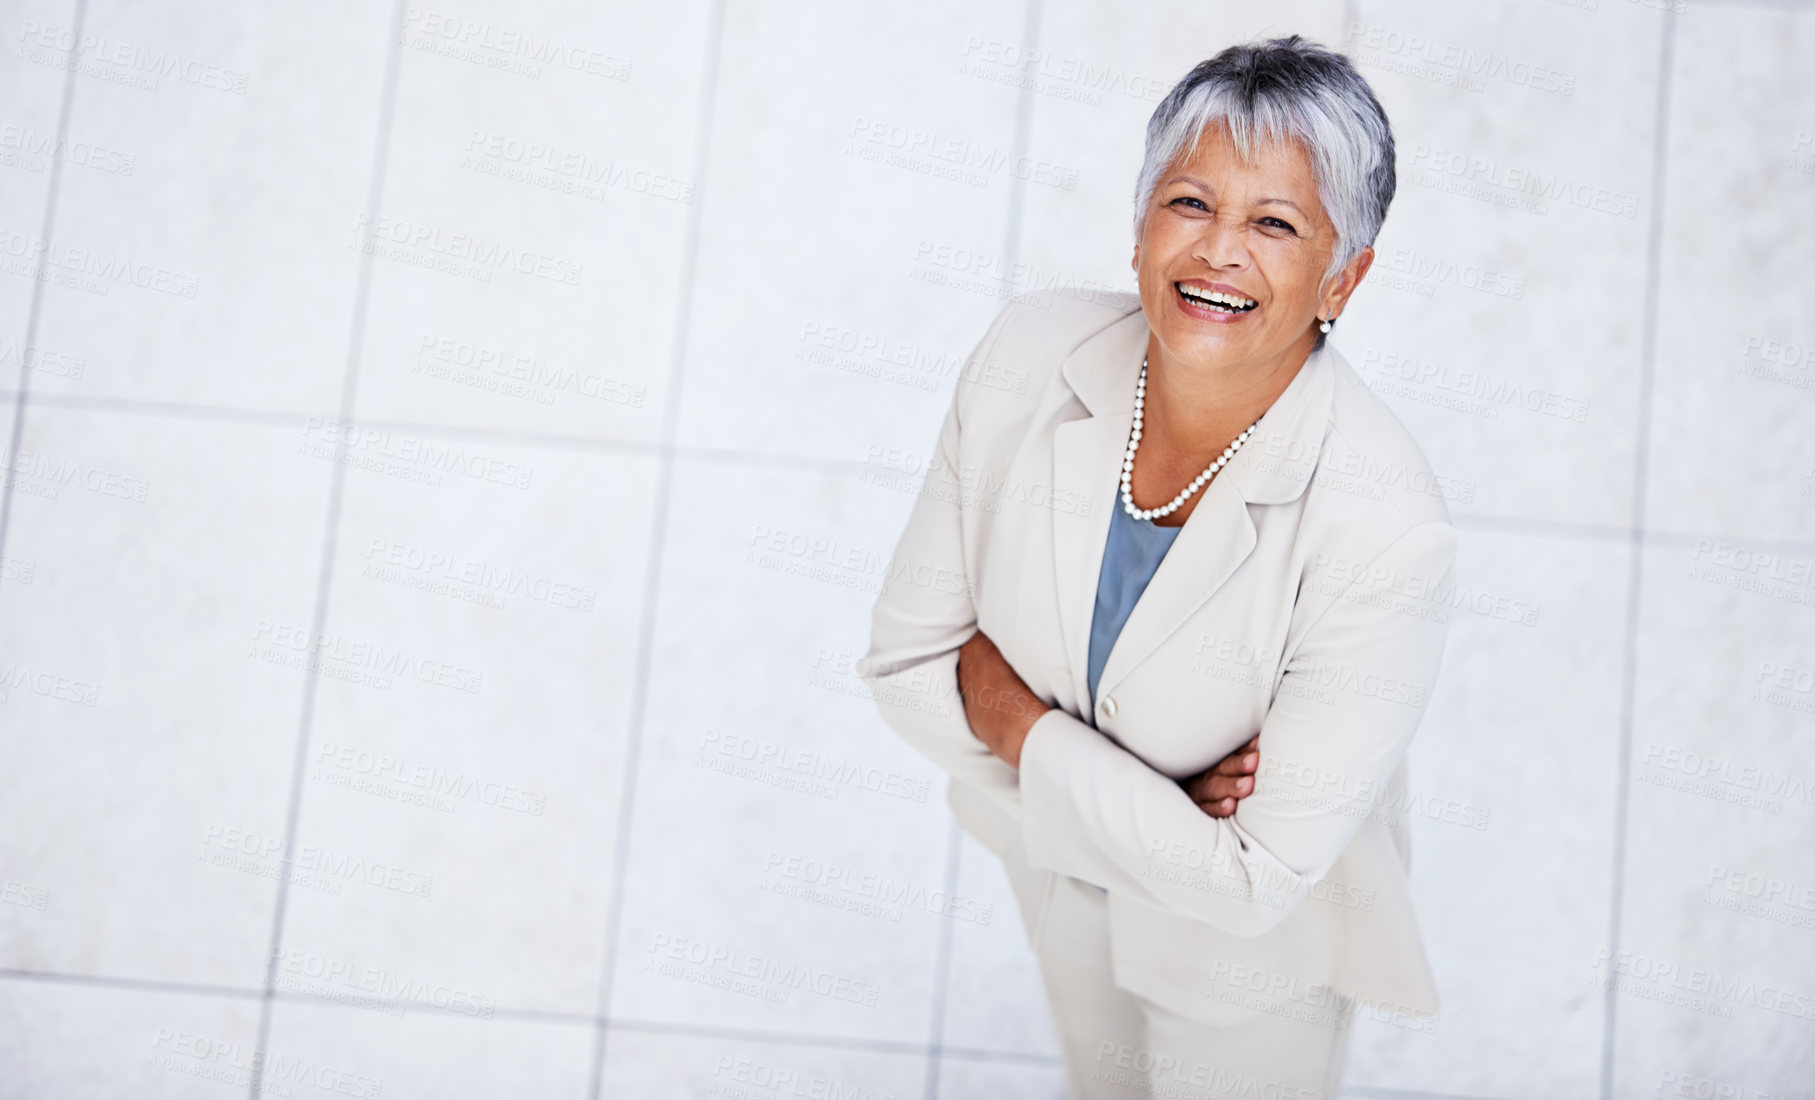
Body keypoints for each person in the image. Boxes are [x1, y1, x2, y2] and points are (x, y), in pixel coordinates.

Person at [857, 35, 1455, 1099]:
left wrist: (1020, 720)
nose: (1220, 249)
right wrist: (1160, 799)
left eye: (1275, 223)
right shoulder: (1026, 354)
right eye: (1190, 202)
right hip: (1053, 881)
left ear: (1342, 278)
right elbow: (906, 667)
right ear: (1139, 224)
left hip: (1248, 975)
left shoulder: (1384, 528)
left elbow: (1249, 884)